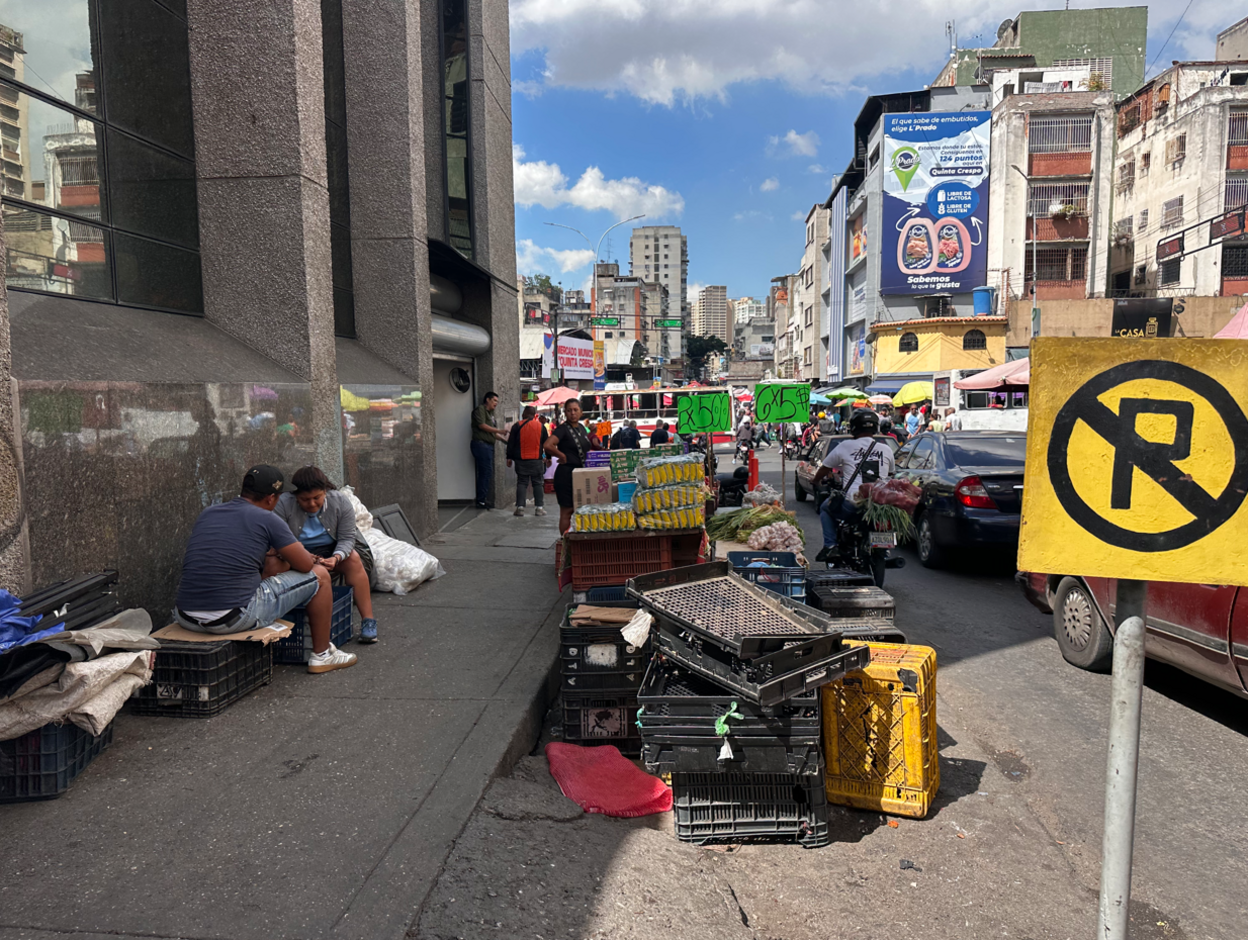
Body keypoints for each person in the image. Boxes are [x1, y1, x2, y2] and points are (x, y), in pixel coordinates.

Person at [173, 465, 358, 674]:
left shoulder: (209, 513)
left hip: (186, 616)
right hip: (231, 618)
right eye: (279, 497)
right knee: (321, 576)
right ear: (271, 498)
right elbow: (306, 566)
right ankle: (322, 654)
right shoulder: (267, 518)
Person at [275, 466, 379, 644]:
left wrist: (337, 557)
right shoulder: (283, 504)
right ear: (295, 496)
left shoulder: (340, 501)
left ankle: (368, 621)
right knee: (272, 565)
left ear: (326, 491)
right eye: (305, 499)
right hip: (295, 553)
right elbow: (280, 540)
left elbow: (347, 538)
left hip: (331, 550)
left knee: (353, 558)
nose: (312, 504)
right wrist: (305, 557)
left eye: (317, 498)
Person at [811, 411, 895, 563]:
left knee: (825, 508)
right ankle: (885, 549)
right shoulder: (886, 449)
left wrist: (815, 481)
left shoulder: (845, 446)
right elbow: (890, 473)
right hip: (879, 504)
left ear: (854, 427)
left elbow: (825, 468)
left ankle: (830, 546)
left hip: (853, 504)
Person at [544, 398, 600, 534]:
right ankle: (564, 542)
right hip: (566, 474)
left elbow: (586, 446)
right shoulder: (562, 429)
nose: (572, 413)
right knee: (567, 510)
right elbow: (547, 445)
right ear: (565, 413)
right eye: (569, 410)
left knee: (581, 509)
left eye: (575, 410)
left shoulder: (581, 428)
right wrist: (561, 455)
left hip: (581, 474)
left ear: (581, 412)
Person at [506, 405, 549, 517]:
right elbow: (547, 444)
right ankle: (539, 508)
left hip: (521, 460)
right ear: (535, 415)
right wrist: (548, 457)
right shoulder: (541, 427)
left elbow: (511, 443)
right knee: (538, 483)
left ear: (523, 414)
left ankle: (520, 508)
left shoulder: (517, 426)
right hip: (536, 460)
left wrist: (509, 457)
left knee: (522, 482)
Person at [470, 391, 508, 509]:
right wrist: (499, 431)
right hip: (481, 445)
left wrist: (504, 440)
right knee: (485, 472)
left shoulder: (491, 414)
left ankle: (483, 498)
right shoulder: (480, 410)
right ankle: (481, 500)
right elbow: (482, 426)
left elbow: (491, 433)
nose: (496, 403)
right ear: (488, 400)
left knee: (487, 472)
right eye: (494, 400)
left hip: (488, 445)